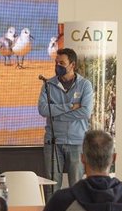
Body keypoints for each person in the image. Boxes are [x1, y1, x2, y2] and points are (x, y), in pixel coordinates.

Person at [38, 47, 94, 194]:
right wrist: (70, 106)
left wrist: (55, 114)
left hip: (77, 142)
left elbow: (85, 112)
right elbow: (43, 110)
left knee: (76, 187)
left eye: (62, 63)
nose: (58, 66)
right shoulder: (48, 85)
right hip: (53, 142)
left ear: (72, 65)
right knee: (51, 187)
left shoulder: (85, 85)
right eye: (56, 62)